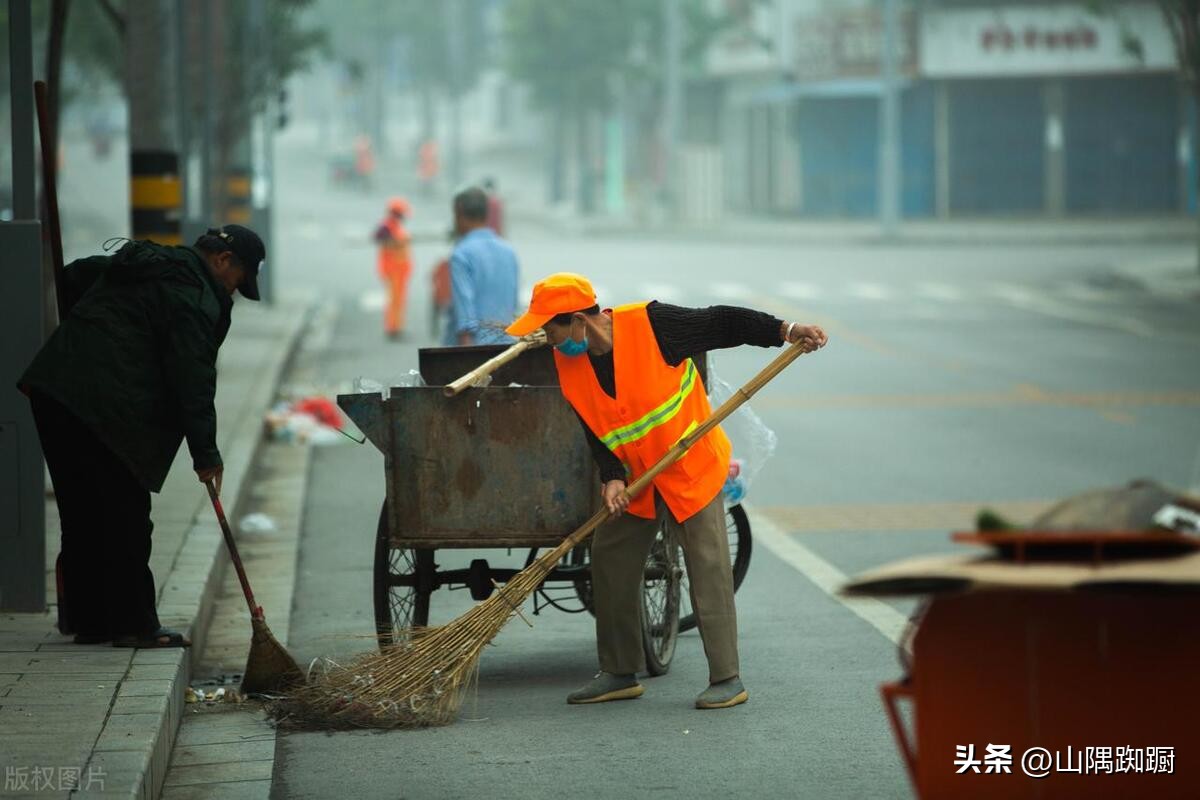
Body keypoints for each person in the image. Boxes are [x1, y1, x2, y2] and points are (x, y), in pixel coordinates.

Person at [505, 273, 828, 709]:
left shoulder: (652, 324)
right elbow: (592, 425)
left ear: (580, 320)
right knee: (610, 557)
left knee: (707, 562)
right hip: (639, 475)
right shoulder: (569, 361)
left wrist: (786, 331)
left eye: (552, 329)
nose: (548, 338)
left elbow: (723, 321)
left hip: (690, 464)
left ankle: (727, 678)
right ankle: (619, 671)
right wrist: (611, 476)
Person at [18, 225, 265, 648]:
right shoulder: (194, 297)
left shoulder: (152, 262)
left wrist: (99, 332)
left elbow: (75, 275)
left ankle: (92, 620)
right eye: (240, 280)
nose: (237, 291)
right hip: (104, 405)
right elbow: (193, 379)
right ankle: (134, 624)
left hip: (55, 392)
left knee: (83, 511)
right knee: (126, 513)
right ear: (224, 261)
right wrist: (206, 454)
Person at [445, 187, 520, 346]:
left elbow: (465, 309)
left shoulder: (461, 254)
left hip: (475, 347)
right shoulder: (508, 251)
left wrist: (466, 355)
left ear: (460, 214)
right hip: (505, 344)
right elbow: (513, 301)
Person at [374, 197, 413, 339]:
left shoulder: (394, 226)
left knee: (399, 300)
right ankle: (393, 328)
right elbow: (381, 240)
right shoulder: (386, 227)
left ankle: (396, 326)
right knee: (394, 301)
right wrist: (397, 242)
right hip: (393, 270)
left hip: (399, 270)